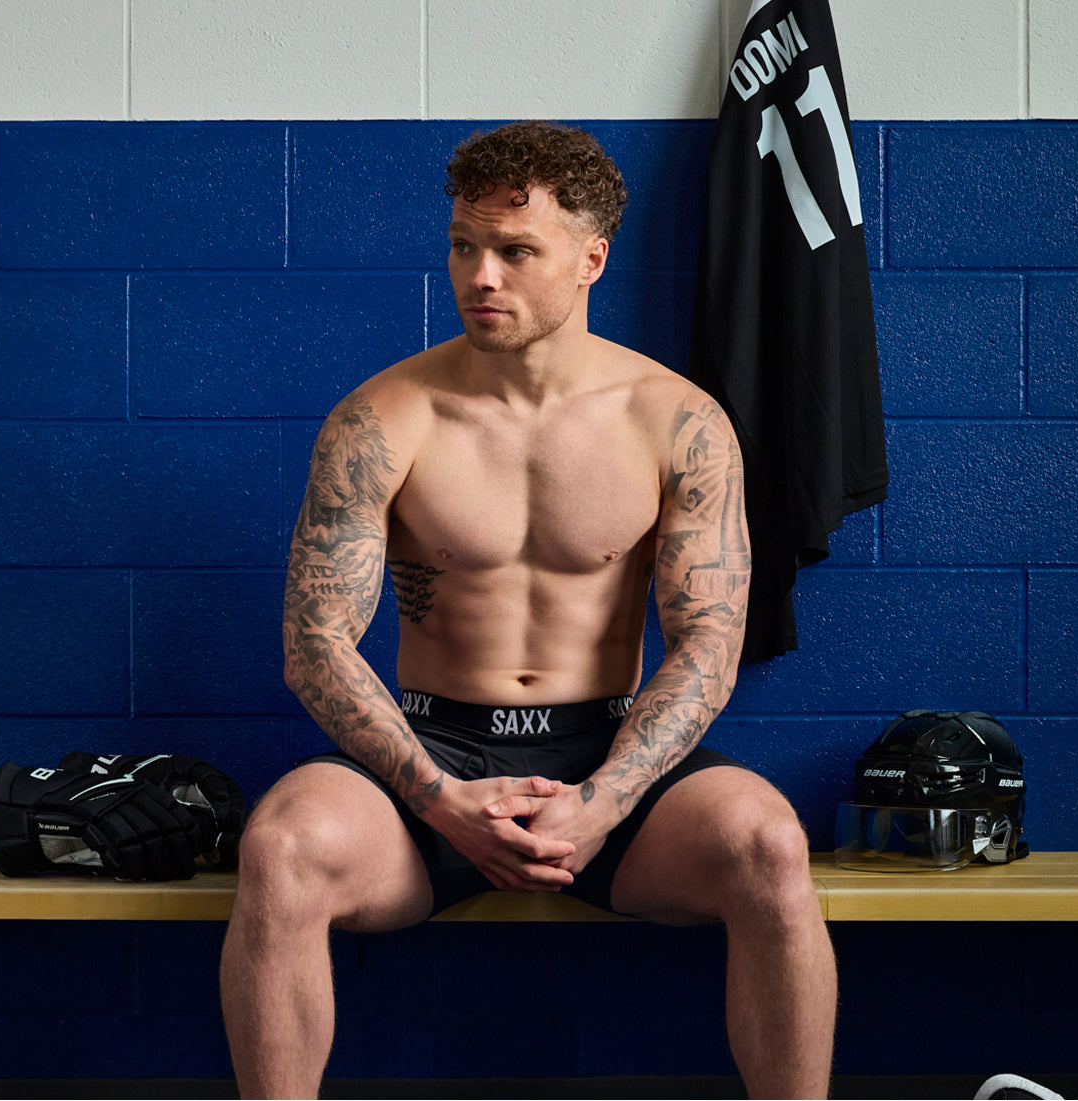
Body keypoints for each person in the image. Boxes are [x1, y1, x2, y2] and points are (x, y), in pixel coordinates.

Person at [219, 120, 836, 1099]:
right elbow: (315, 644)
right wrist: (435, 799)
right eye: (464, 245)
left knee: (767, 844)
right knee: (282, 847)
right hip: (431, 758)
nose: (481, 275)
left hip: (606, 757)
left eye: (515, 251)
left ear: (591, 259)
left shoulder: (676, 422)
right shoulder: (383, 420)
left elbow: (710, 643)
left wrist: (606, 801)